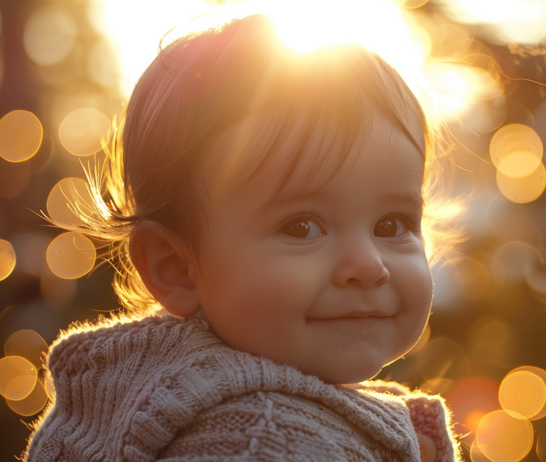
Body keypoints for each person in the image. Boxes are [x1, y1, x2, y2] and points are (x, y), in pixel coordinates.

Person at [24, 12, 463, 462]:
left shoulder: (225, 408)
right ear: (175, 267)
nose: (370, 266)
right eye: (302, 226)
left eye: (391, 225)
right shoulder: (265, 439)